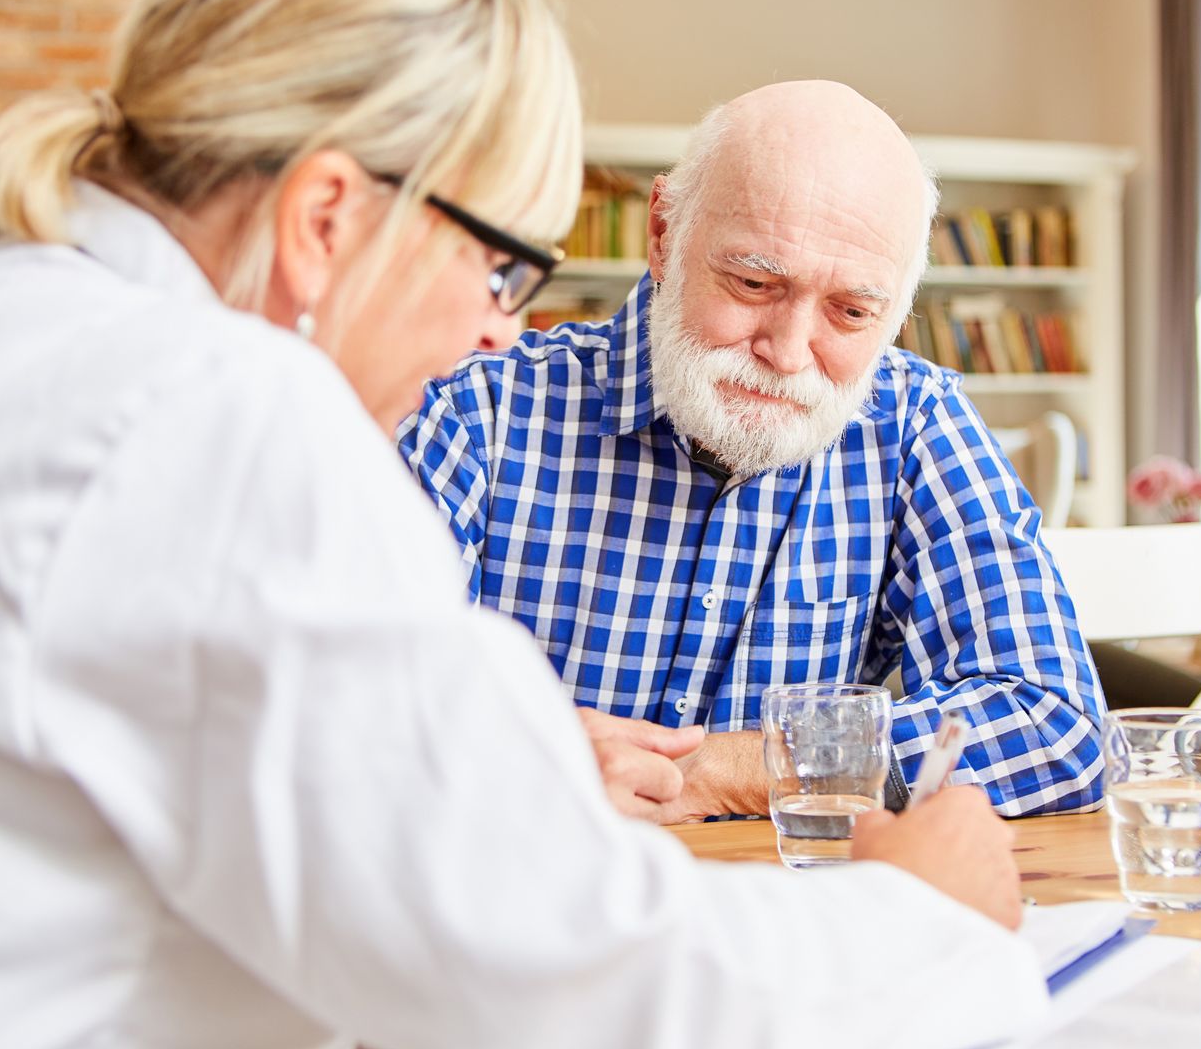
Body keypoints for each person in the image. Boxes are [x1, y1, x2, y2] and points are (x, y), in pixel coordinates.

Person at [0, 0, 1049, 1049]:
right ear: (324, 217)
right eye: (498, 265)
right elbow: (586, 1018)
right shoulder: (210, 414)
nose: (494, 327)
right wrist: (919, 917)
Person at [399, 81, 1106, 823]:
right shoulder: (475, 413)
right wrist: (527, 762)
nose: (790, 353)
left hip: (782, 917)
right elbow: (344, 714)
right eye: (754, 281)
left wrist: (746, 768)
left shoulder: (913, 420)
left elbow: (1054, 724)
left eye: (852, 311)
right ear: (664, 234)